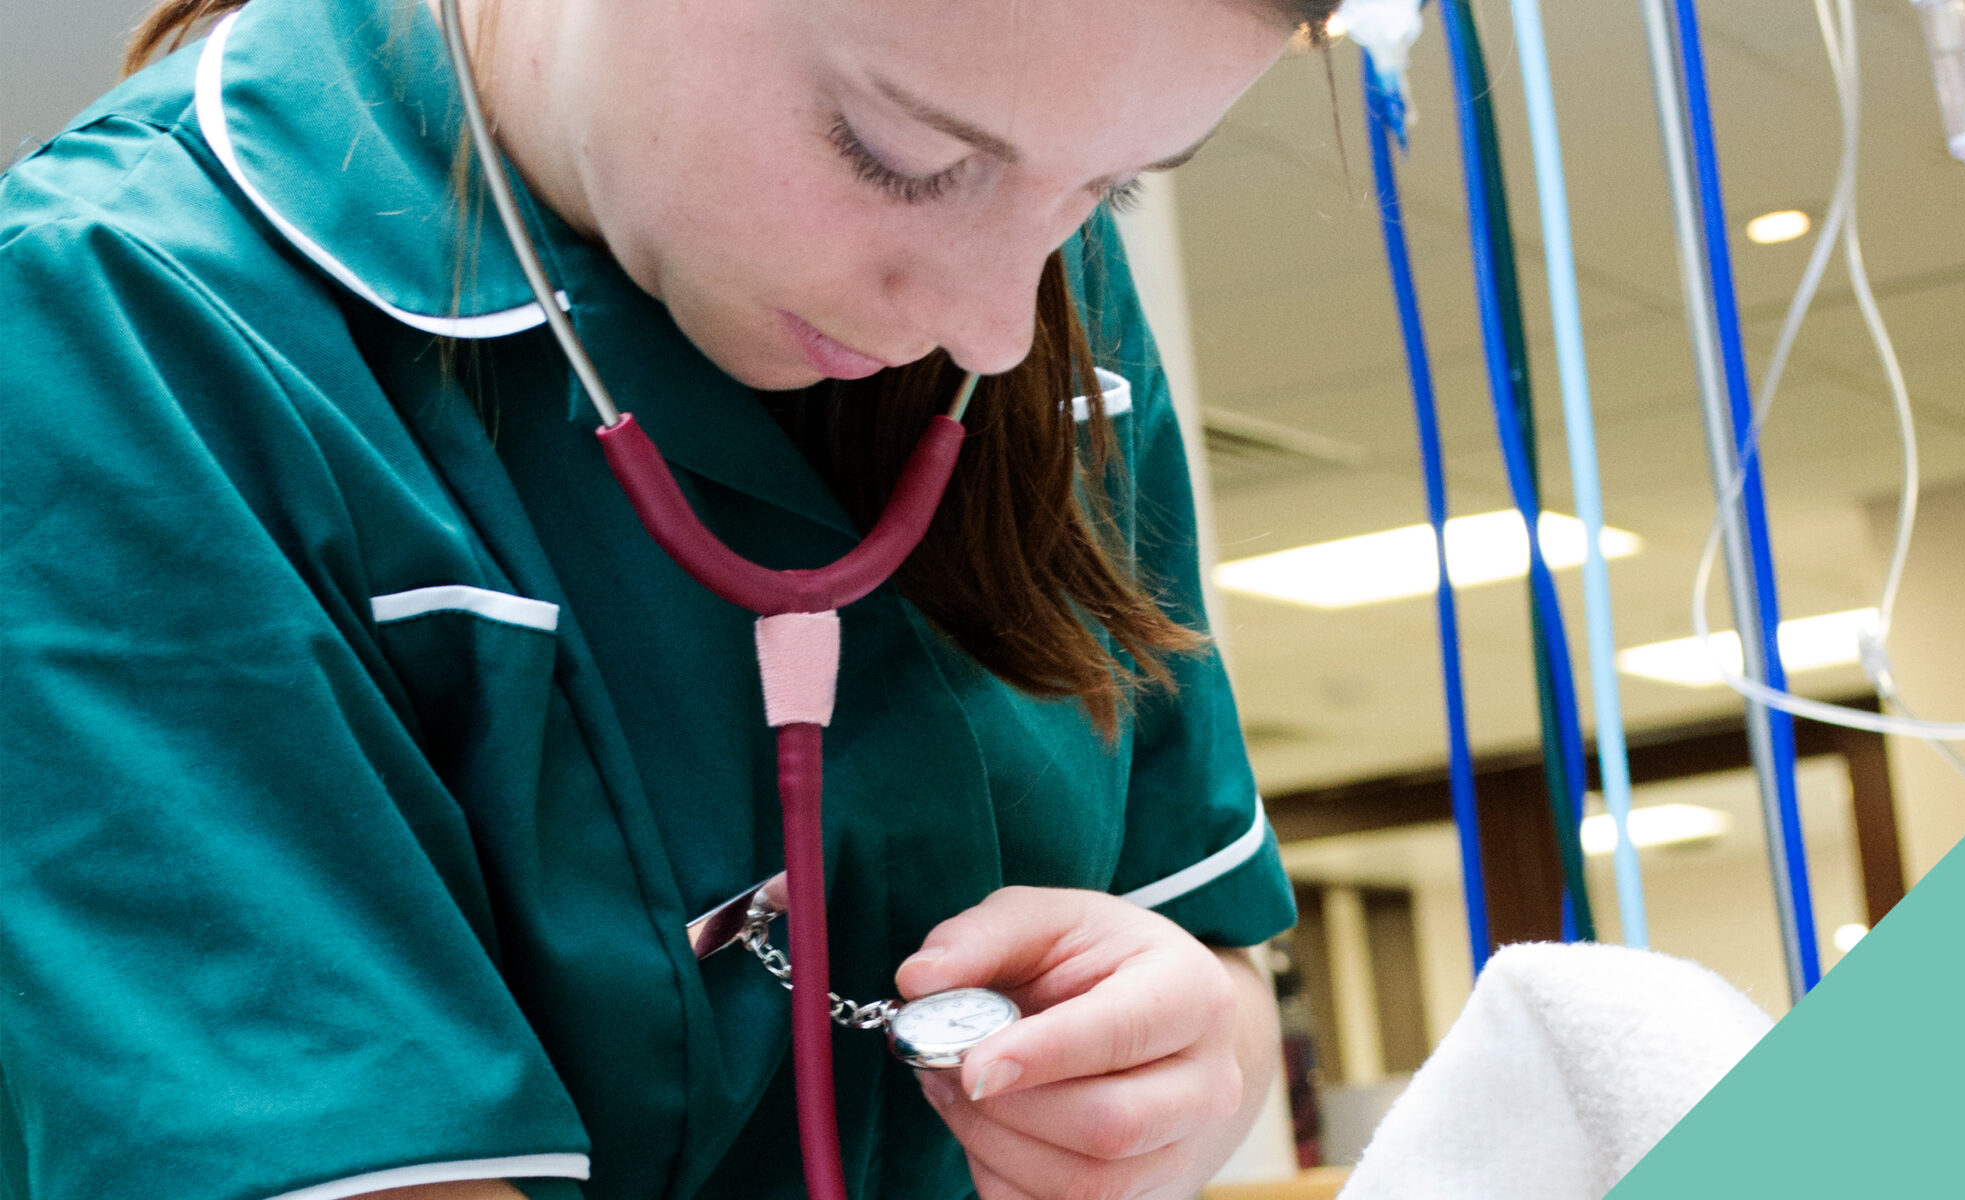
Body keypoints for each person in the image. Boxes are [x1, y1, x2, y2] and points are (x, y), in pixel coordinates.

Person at [0, 0, 1333, 1196]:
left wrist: (1175, 1069)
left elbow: (1201, 938)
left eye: (1108, 192)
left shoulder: (1023, 285)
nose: (997, 321)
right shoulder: (110, 334)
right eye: (902, 156)